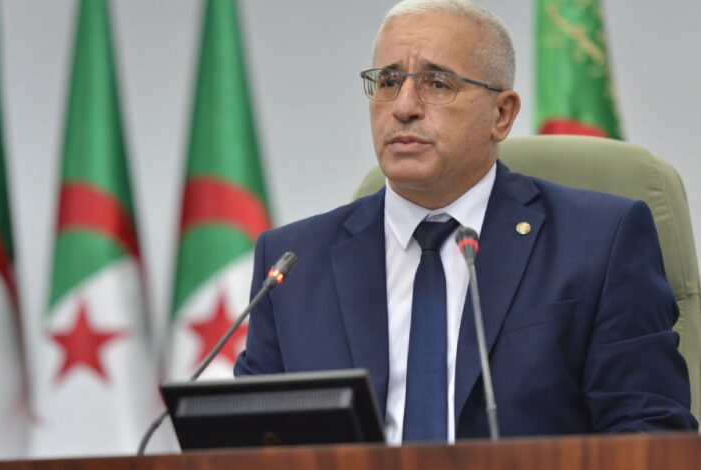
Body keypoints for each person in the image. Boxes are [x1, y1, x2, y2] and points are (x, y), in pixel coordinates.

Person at [234, 0, 697, 444]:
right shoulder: (292, 264)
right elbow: (250, 444)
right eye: (389, 81)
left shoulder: (598, 242)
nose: (404, 106)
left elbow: (650, 436)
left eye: (437, 83)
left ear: (501, 114)